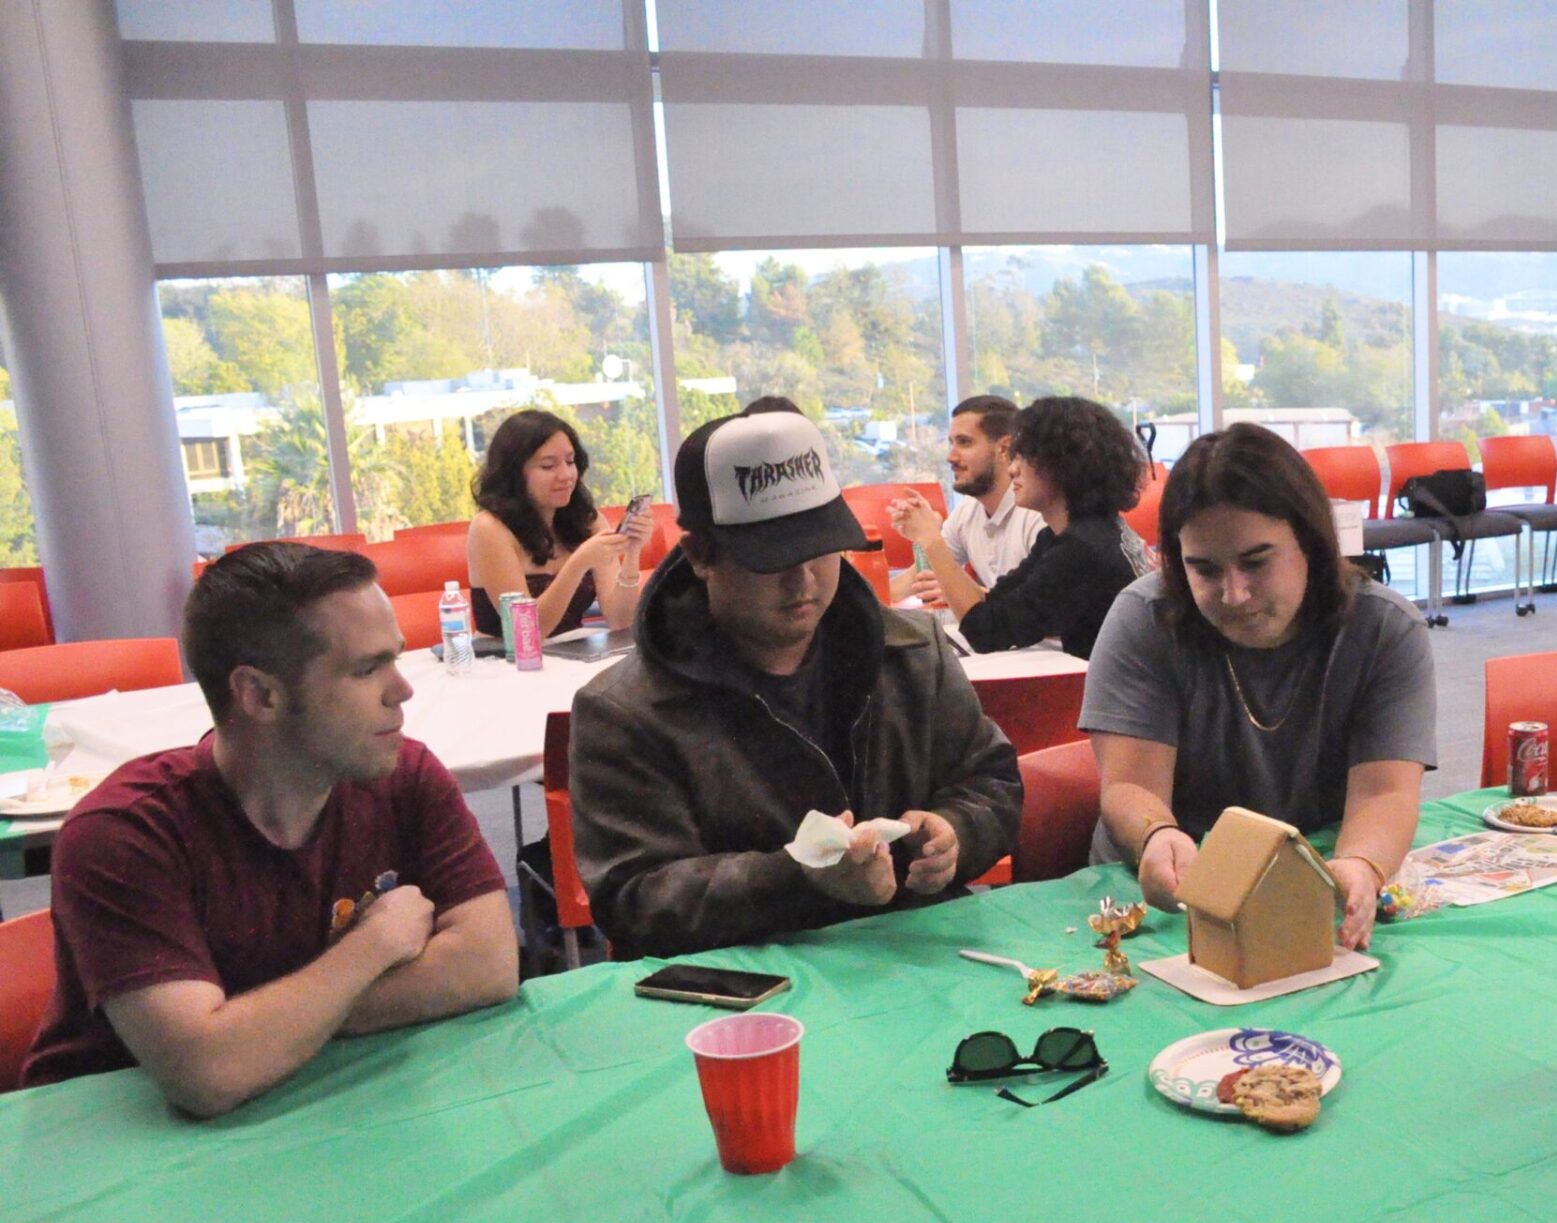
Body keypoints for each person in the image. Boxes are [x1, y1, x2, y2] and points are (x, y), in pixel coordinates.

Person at [23, 543, 517, 1114]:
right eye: (366, 669)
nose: (402, 690)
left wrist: (273, 1025)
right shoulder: (124, 834)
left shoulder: (405, 775)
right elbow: (208, 1073)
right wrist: (375, 945)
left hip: (319, 1105)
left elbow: (489, 964)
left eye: (395, 659)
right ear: (259, 695)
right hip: (112, 1141)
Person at [570, 406, 1021, 959]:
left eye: (821, 548)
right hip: (746, 987)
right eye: (772, 558)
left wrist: (956, 833)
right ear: (701, 556)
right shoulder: (625, 710)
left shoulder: (913, 652)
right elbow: (635, 898)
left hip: (915, 960)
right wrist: (800, 877)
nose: (803, 579)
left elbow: (992, 781)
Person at [1078, 423, 1436, 951]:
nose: (1234, 594)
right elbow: (1131, 787)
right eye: (1204, 569)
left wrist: (1362, 864)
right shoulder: (1142, 619)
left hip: (1311, 876)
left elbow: (1385, 792)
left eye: (1256, 562)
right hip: (1164, 894)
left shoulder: (1386, 629)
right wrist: (1157, 834)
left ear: (1310, 543)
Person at [893, 394, 1147, 659]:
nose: (1012, 469)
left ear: (1061, 465)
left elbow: (986, 632)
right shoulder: (1066, 535)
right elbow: (995, 604)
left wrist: (931, 541)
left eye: (1023, 457)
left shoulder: (1081, 549)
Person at [466, 409, 649, 640]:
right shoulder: (489, 528)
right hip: (506, 657)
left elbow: (621, 621)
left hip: (572, 652)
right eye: (548, 466)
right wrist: (578, 564)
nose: (565, 475)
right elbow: (527, 632)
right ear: (514, 473)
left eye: (570, 462)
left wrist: (632, 554)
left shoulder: (588, 522)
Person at [886, 395, 1045, 603]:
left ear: (1004, 449)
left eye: (965, 443)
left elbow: (1042, 608)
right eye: (951, 443)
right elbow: (917, 578)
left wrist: (962, 592)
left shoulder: (1038, 515)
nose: (950, 457)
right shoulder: (968, 510)